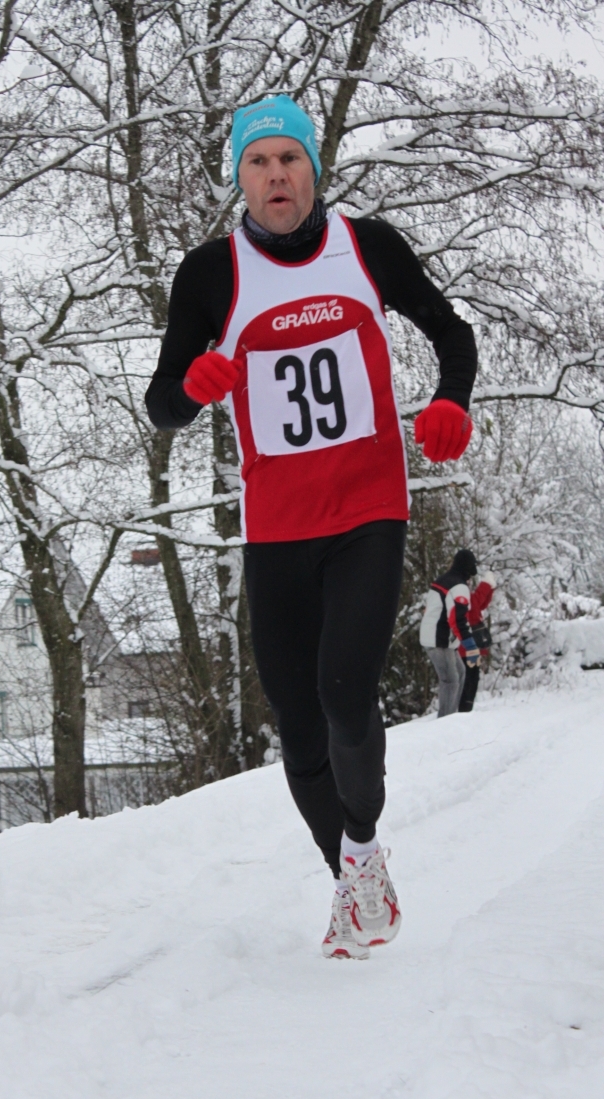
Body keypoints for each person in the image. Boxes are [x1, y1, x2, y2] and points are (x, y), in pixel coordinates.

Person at [145, 95, 477, 960]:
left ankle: (361, 849)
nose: (276, 176)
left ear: (314, 170)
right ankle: (353, 874)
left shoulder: (366, 248)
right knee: (297, 723)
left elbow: (452, 333)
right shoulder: (211, 275)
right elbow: (162, 402)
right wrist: (196, 382)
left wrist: (451, 399)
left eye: (290, 159)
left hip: (368, 509)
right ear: (239, 181)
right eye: (258, 164)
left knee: (343, 690)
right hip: (277, 527)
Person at [419, 549, 481, 717]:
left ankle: (454, 716)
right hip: (439, 640)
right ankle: (445, 722)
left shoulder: (444, 580)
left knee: (461, 673)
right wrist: (471, 646)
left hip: (439, 637)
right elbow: (458, 619)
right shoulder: (458, 586)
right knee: (450, 681)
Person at [458, 570, 496, 711]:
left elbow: (481, 604)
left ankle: (465, 706)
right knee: (470, 678)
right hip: (467, 646)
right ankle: (465, 708)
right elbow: (475, 604)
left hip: (467, 646)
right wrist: (486, 585)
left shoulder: (461, 595)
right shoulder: (461, 596)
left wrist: (489, 588)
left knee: (471, 678)